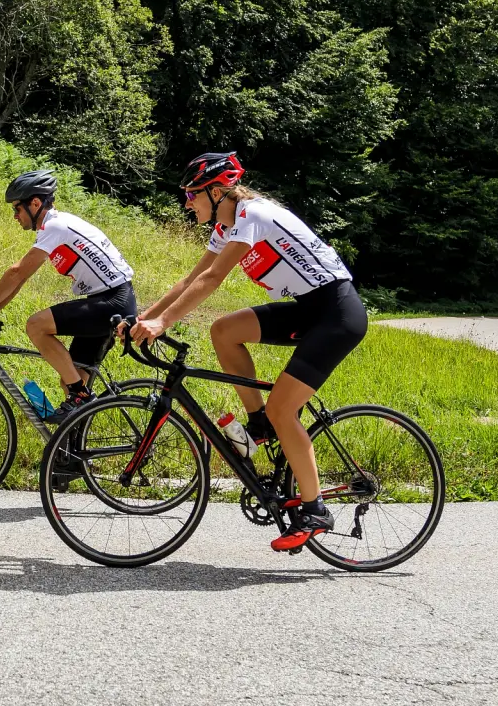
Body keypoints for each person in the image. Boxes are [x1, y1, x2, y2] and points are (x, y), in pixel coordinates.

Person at [128, 152, 367, 552]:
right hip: (309, 310)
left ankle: (315, 509)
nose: (187, 203)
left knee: (284, 408)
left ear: (218, 190)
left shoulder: (254, 214)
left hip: (337, 313)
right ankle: (260, 423)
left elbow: (213, 278)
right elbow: (191, 279)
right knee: (224, 331)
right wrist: (143, 317)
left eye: (192, 194)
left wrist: (163, 324)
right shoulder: (227, 225)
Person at [0, 169, 139, 422]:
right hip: (108, 300)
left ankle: (80, 397)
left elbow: (16, 272)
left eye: (17, 208)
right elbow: (21, 279)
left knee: (36, 326)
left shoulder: (55, 226)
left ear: (35, 203)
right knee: (72, 379)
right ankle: (72, 455)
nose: (15, 216)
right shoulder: (57, 226)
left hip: (112, 301)